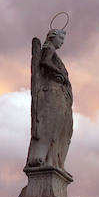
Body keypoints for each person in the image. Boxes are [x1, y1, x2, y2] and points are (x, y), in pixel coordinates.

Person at [26, 26, 72, 170]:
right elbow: (44, 62)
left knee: (60, 128)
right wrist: (61, 73)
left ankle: (53, 160)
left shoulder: (52, 51)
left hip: (60, 93)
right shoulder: (48, 47)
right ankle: (47, 159)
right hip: (52, 92)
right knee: (52, 126)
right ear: (53, 37)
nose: (62, 42)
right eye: (61, 38)